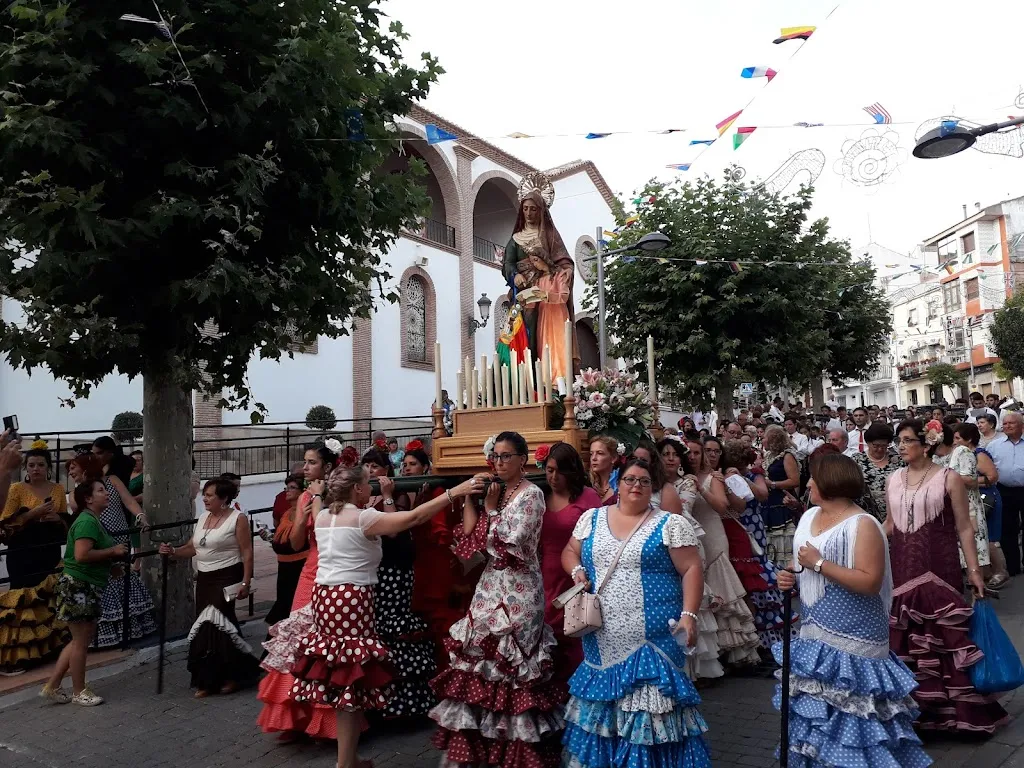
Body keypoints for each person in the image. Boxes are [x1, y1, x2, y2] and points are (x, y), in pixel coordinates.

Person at [289, 464, 478, 768]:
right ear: (357, 490)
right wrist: (455, 492)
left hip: (324, 598)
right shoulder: (363, 517)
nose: (371, 488)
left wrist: (316, 494)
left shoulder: (323, 515)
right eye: (367, 484)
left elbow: (320, 505)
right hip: (351, 599)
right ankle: (344, 763)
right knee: (350, 679)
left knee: (343, 678)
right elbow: (413, 518)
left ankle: (348, 758)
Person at [775, 454, 931, 767]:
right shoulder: (809, 517)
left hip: (854, 642)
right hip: (814, 636)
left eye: (813, 479)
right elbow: (806, 565)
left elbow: (870, 581)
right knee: (817, 722)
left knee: (857, 726)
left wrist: (818, 564)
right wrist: (790, 574)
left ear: (830, 483)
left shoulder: (863, 525)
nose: (808, 484)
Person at [560, 457, 711, 767]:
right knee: (604, 720)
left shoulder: (670, 524)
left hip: (651, 646)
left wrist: (689, 615)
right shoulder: (591, 518)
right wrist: (576, 570)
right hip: (601, 644)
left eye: (644, 481)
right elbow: (570, 550)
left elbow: (692, 567)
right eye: (630, 479)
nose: (636, 486)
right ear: (617, 482)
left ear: (652, 487)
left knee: (649, 725)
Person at [430, 432, 565, 767]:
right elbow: (474, 541)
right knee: (480, 661)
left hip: (519, 590)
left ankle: (516, 752)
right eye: (497, 457)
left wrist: (490, 510)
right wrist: (476, 503)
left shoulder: (531, 494)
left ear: (523, 459)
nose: (500, 462)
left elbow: (510, 543)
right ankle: (483, 749)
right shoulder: (501, 493)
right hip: (490, 587)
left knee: (514, 665)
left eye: (507, 456)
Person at [887, 419, 1008, 732]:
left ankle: (958, 716)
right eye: (899, 441)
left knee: (945, 634)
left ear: (925, 444)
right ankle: (917, 714)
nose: (901, 446)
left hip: (939, 566)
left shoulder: (948, 478)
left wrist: (975, 571)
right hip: (902, 566)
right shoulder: (893, 479)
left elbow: (964, 527)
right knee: (909, 634)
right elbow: (887, 524)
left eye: (907, 440)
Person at [258, 442, 343, 741]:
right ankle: (295, 719)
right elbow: (296, 544)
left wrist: (318, 505)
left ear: (328, 467)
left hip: (335, 571)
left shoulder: (339, 494)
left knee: (328, 645)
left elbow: (331, 534)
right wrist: (301, 512)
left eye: (311, 463)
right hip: (309, 573)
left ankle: (326, 722)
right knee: (298, 643)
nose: (304, 468)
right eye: (304, 462)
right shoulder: (305, 496)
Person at [159, 478, 259, 696]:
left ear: (224, 498)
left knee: (218, 621)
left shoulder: (237, 519)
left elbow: (247, 552)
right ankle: (208, 678)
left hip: (227, 576)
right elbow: (193, 547)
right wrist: (174, 552)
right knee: (205, 624)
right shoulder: (203, 517)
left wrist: (246, 581)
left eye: (210, 495)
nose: (204, 498)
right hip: (204, 578)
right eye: (204, 494)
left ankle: (232, 676)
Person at [40, 478, 128, 706]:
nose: (106, 493)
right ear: (88, 499)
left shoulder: (93, 521)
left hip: (86, 586)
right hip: (79, 586)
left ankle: (53, 686)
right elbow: (81, 555)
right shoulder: (88, 522)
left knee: (79, 639)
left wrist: (111, 564)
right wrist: (113, 551)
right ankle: (79, 691)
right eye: (101, 491)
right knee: (81, 642)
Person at [363, 446, 435, 718]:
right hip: (375, 570)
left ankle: (403, 703)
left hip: (396, 568)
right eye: (366, 466)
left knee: (394, 626)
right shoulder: (365, 497)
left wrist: (386, 497)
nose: (370, 471)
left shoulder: (396, 494)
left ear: (386, 471)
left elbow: (396, 532)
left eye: (375, 466)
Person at [66, 453, 156, 649]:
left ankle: (127, 630)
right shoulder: (77, 492)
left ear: (86, 466)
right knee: (103, 579)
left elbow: (128, 500)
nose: (71, 471)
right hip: (96, 539)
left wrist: (140, 515)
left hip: (119, 534)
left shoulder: (112, 480)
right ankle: (101, 636)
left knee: (121, 576)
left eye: (74, 467)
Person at [686, 438, 760, 666]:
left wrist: (701, 489)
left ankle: (735, 650)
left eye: (701, 452)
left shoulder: (714, 478)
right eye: (694, 452)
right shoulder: (680, 478)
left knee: (721, 590)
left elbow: (721, 506)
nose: (697, 457)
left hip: (714, 535)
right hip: (692, 539)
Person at [1, 442, 71, 674]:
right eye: (31, 465)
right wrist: (32, 514)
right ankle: (18, 655)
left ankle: (48, 648)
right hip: (22, 553)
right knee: (23, 601)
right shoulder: (16, 490)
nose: (36, 469)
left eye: (40, 464)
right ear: (25, 468)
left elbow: (65, 522)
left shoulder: (58, 490)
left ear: (48, 467)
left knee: (48, 598)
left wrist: (57, 520)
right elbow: (7, 526)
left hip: (47, 550)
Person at [500, 174, 577, 375]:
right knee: (516, 332)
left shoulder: (550, 236)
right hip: (522, 293)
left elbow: (564, 261)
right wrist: (514, 274)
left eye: (533, 209)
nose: (529, 213)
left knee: (542, 336)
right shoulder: (516, 238)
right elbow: (507, 263)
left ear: (541, 211)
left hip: (545, 293)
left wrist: (565, 271)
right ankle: (518, 376)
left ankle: (543, 376)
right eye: (525, 209)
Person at [538, 442, 601, 678]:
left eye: (560, 471)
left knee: (578, 632)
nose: (554, 477)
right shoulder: (541, 496)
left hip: (578, 574)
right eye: (549, 470)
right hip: (546, 573)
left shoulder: (588, 497)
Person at [403, 441, 461, 671]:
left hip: (435, 562)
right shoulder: (416, 491)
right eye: (405, 464)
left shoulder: (436, 491)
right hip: (419, 561)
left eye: (413, 464)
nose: (407, 469)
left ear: (425, 467)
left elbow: (441, 533)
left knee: (439, 617)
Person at [930, 421, 990, 574]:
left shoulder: (961, 452)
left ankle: (981, 591)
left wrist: (944, 477)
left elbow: (971, 480)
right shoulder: (934, 458)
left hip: (968, 509)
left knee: (975, 558)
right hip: (946, 511)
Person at [956, 423, 1008, 589]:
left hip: (987, 498)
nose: (955, 442)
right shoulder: (960, 455)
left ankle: (1000, 571)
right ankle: (985, 572)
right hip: (971, 498)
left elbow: (992, 477)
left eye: (958, 438)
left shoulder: (979, 455)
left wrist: (966, 480)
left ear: (969, 439)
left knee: (989, 537)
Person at [265, 475, 308, 631]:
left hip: (298, 567)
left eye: (292, 488)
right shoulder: (286, 513)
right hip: (283, 568)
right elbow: (281, 539)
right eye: (286, 488)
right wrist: (270, 537)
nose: (287, 491)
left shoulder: (306, 513)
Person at [760, 425, 801, 566]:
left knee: (782, 539)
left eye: (765, 437)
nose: (762, 439)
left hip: (782, 502)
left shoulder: (787, 456)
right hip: (768, 503)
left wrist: (772, 484)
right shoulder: (768, 456)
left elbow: (794, 481)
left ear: (773, 440)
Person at [989, 412, 1024, 575]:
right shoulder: (995, 445)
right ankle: (1013, 566)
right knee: (1007, 529)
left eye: (1012, 423)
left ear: (1021, 425)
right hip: (1004, 490)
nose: (1007, 426)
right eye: (1005, 423)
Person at [852, 422, 904, 522]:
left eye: (884, 446)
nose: (880, 449)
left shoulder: (898, 460)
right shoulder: (856, 460)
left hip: (895, 512)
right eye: (876, 445)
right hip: (865, 513)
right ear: (868, 442)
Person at [588, 435, 620, 504]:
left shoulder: (620, 485)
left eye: (600, 453)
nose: (594, 458)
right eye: (591, 454)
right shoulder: (587, 483)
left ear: (613, 458)